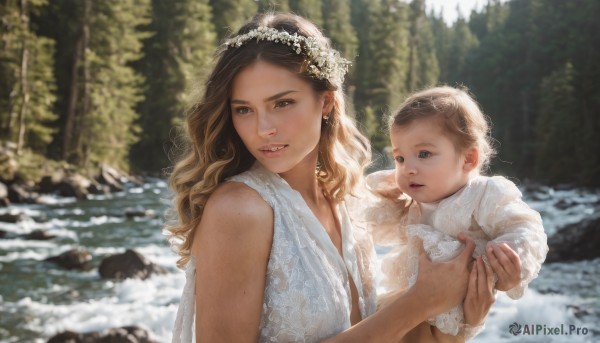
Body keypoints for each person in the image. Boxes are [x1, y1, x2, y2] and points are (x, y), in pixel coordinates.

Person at [166, 13, 495, 342]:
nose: (263, 128)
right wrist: (419, 303)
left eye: (282, 103)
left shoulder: (346, 202)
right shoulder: (238, 210)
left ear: (325, 101)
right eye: (243, 109)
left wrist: (464, 313)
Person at [363, 86, 548, 340]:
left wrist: (507, 268)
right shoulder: (411, 200)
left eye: (424, 154)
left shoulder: (483, 194)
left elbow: (525, 226)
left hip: (453, 320)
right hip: (408, 307)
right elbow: (369, 220)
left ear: (469, 159)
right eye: (400, 158)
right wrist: (386, 194)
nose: (408, 169)